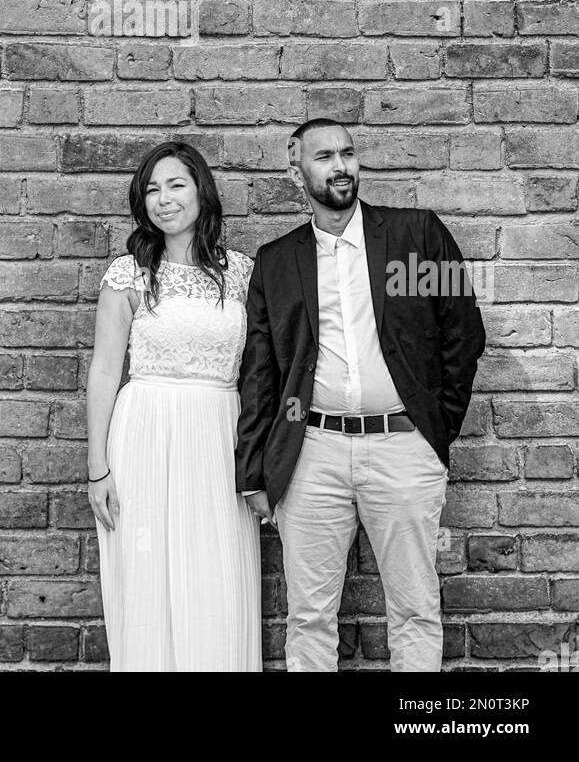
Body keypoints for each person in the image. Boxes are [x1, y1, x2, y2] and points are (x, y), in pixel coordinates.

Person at [235, 119, 486, 673]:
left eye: (347, 153)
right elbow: (261, 375)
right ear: (295, 167)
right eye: (323, 156)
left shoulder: (414, 236)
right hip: (312, 453)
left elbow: (463, 333)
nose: (340, 166)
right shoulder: (277, 262)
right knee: (308, 616)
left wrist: (433, 428)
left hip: (403, 445)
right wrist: (254, 470)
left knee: (415, 609)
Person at [87, 139, 261, 672]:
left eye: (176, 185)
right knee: (147, 578)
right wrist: (98, 469)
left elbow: (261, 372)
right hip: (143, 434)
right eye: (152, 190)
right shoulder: (129, 273)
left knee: (218, 576)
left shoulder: (243, 273)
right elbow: (103, 370)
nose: (163, 199)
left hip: (217, 438)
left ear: (201, 192)